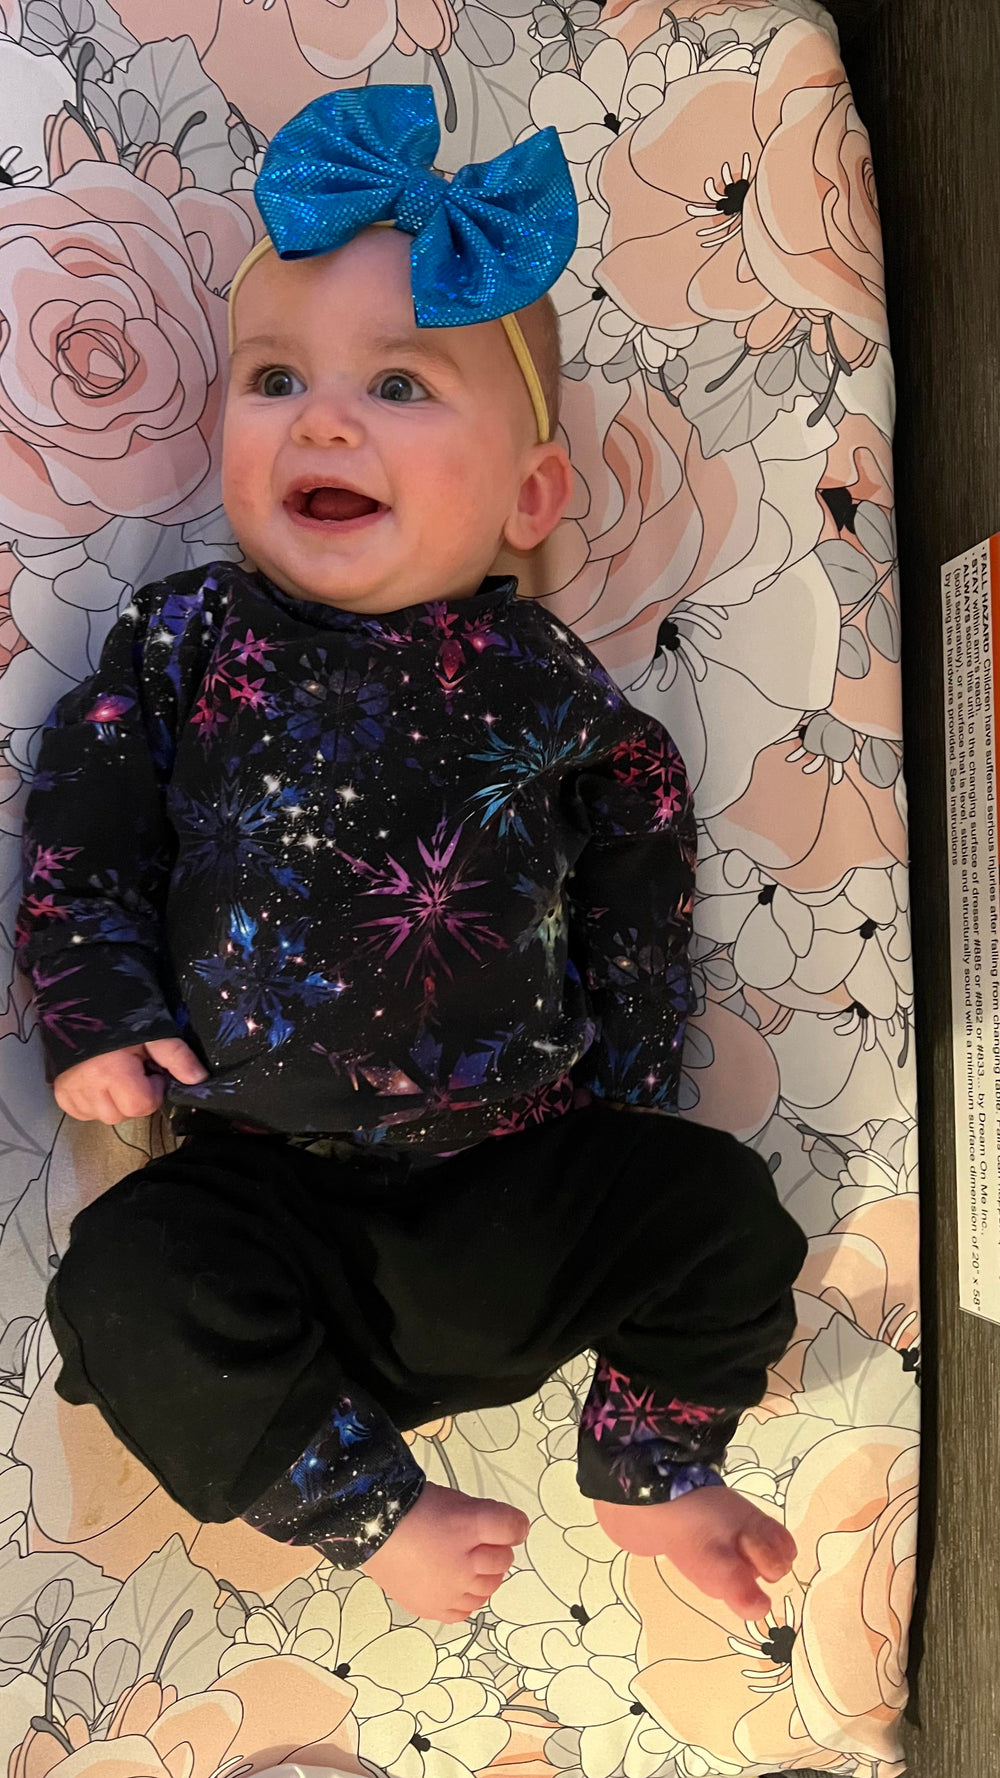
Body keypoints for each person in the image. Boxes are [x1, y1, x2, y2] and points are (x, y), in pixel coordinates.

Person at [16, 85, 807, 1627]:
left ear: (529, 496)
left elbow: (639, 839)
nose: (322, 420)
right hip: (272, 1201)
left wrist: (628, 1084)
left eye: (398, 384)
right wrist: (95, 1006)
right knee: (117, 1285)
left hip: (521, 1179)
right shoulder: (190, 643)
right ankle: (367, 1506)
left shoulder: (541, 677)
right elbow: (86, 813)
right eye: (275, 379)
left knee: (720, 1208)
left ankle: (652, 1463)